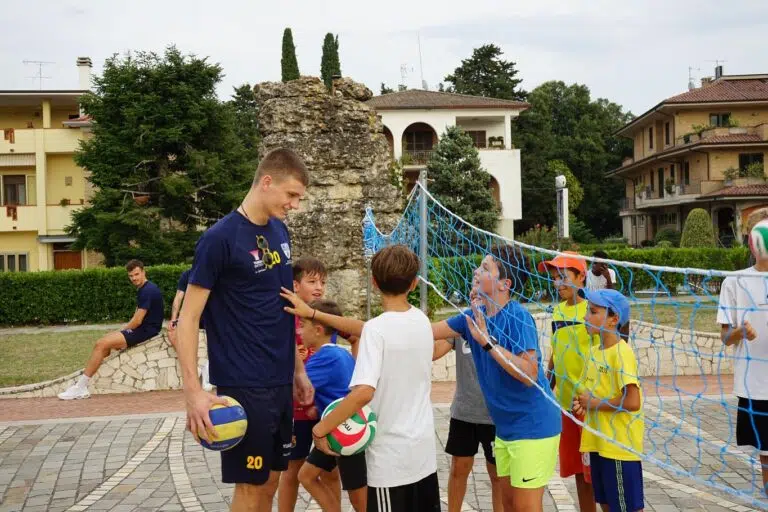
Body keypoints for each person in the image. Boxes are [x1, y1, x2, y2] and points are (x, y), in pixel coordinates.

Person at [177, 148, 314, 512]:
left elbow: (284, 306)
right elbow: (187, 319)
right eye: (291, 195)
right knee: (251, 486)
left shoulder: (280, 231)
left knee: (270, 481)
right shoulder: (219, 239)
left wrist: (297, 370)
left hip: (279, 380)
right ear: (267, 182)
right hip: (244, 383)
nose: (295, 205)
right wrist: (193, 393)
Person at [281, 244, 440, 512]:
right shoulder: (421, 321)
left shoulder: (376, 332)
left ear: (374, 282)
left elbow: (363, 392)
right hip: (423, 455)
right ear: (413, 284)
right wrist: (313, 314)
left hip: (390, 462)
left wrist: (322, 429)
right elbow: (369, 329)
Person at [431, 244, 562, 512]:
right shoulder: (472, 316)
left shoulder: (518, 317)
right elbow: (426, 331)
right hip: (505, 429)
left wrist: (487, 343)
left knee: (526, 508)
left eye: (486, 268)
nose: (477, 271)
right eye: (479, 265)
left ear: (505, 284)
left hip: (534, 426)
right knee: (509, 506)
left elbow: (529, 374)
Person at [279, 257, 342, 512]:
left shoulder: (328, 316)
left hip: (325, 411)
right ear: (295, 285)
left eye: (323, 282)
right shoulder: (285, 318)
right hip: (296, 411)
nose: (319, 287)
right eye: (312, 281)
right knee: (292, 470)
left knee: (331, 471)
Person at [573, 288, 643, 512]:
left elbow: (632, 401)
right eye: (587, 311)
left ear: (613, 320)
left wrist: (594, 403)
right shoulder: (593, 351)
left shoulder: (622, 353)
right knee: (606, 504)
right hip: (597, 444)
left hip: (618, 447)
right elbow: (586, 393)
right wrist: (580, 403)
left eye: (593, 312)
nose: (585, 317)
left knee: (625, 508)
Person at [433, 288, 503, 512]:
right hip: (464, 412)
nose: (475, 293)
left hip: (494, 415)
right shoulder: (462, 324)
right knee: (458, 469)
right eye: (472, 289)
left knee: (497, 475)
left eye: (480, 291)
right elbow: (433, 352)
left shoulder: (501, 324)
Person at [296, 299, 367, 512]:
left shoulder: (323, 358)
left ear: (318, 330)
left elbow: (297, 391)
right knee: (307, 476)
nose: (299, 330)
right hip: (341, 429)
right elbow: (341, 390)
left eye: (303, 325)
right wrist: (318, 407)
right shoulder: (339, 353)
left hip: (344, 433)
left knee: (359, 497)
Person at [538, 252, 596, 512]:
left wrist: (593, 396)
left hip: (588, 406)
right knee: (577, 472)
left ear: (581, 277)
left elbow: (603, 355)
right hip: (565, 405)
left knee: (595, 473)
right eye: (554, 278)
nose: (557, 283)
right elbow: (555, 353)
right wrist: (547, 386)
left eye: (563, 277)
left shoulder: (593, 311)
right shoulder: (558, 311)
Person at [58, 259, 164, 400]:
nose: (134, 278)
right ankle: (86, 377)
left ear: (144, 272)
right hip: (145, 329)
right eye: (131, 276)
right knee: (104, 344)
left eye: (136, 274)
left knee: (101, 344)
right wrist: (121, 331)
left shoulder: (147, 291)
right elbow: (137, 315)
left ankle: (80, 387)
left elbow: (137, 321)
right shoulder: (146, 288)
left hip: (146, 331)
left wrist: (123, 331)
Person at [718, 228, 768, 495]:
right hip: (755, 385)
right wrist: (741, 332)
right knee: (766, 454)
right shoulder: (734, 282)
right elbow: (725, 337)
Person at [168, 268, 211, 391]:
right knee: (172, 334)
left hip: (209, 316)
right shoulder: (187, 275)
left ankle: (207, 371)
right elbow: (178, 298)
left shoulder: (211, 271)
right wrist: (173, 319)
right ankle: (195, 368)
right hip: (193, 317)